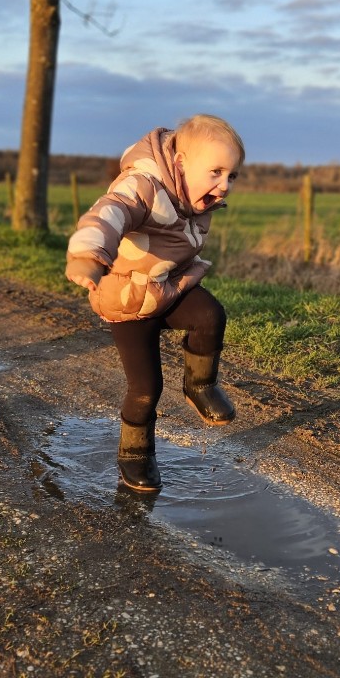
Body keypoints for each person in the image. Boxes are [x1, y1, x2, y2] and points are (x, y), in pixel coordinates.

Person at [65, 114, 244, 493]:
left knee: (210, 315)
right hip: (126, 302)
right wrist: (87, 254)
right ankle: (134, 454)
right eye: (215, 172)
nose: (225, 185)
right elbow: (110, 211)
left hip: (165, 288)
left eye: (232, 175)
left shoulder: (194, 199)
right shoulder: (143, 185)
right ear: (181, 163)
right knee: (146, 388)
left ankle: (200, 385)